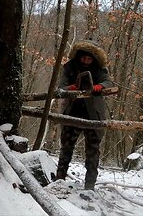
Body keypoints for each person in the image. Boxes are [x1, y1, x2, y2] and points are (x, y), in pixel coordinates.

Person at [55, 40, 114, 190]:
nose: (86, 61)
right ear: (79, 57)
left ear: (94, 59)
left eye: (89, 59)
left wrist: (99, 87)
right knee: (66, 149)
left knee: (93, 151)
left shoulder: (100, 70)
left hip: (93, 116)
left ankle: (89, 186)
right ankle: (59, 180)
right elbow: (60, 88)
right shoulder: (69, 67)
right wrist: (73, 88)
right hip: (72, 113)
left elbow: (109, 83)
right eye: (83, 58)